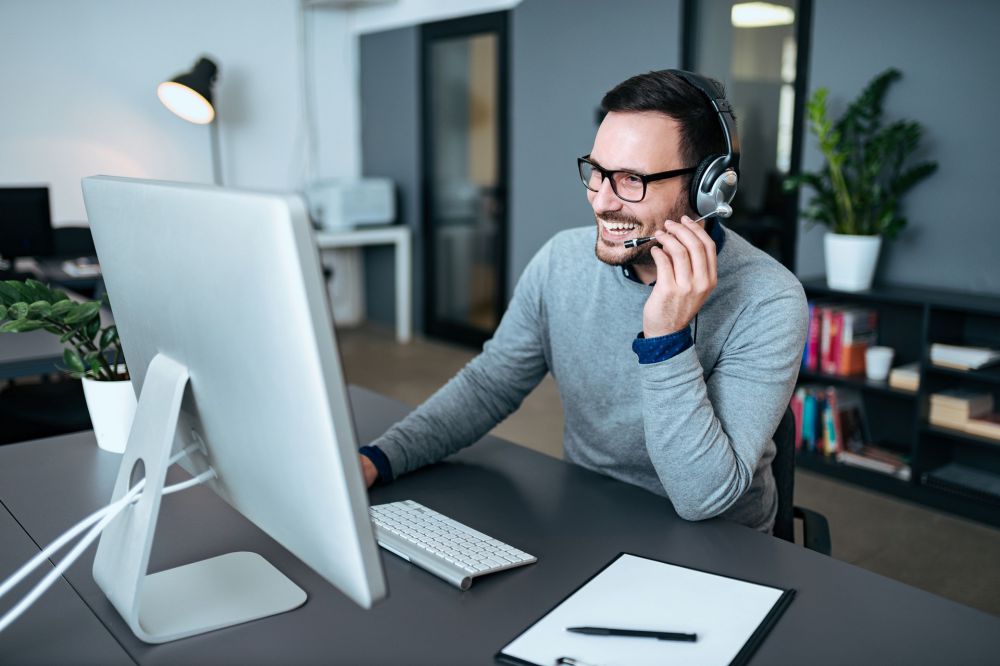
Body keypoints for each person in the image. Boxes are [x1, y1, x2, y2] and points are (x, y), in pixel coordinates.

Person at [358, 70, 808, 533]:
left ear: (707, 188)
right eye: (597, 172)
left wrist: (667, 338)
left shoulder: (768, 300)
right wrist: (378, 459)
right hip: (588, 517)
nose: (601, 201)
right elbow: (489, 385)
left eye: (632, 179)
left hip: (723, 545)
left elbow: (703, 498)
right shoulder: (560, 261)